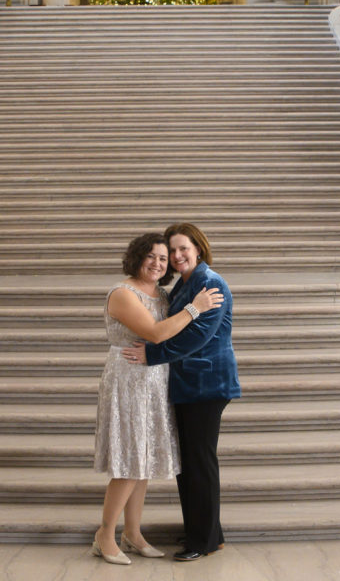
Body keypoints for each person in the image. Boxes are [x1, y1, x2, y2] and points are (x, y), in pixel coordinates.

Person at [93, 232, 223, 565]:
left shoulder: (164, 293)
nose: (157, 263)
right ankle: (104, 536)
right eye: (150, 256)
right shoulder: (123, 293)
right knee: (128, 461)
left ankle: (132, 534)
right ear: (137, 257)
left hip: (154, 379)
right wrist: (196, 308)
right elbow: (154, 333)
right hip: (128, 378)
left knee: (144, 460)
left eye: (163, 258)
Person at [123, 222, 239, 563]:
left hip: (208, 385)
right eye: (172, 251)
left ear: (198, 248)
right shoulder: (186, 285)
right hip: (188, 385)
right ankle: (205, 532)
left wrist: (152, 354)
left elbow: (197, 336)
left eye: (182, 249)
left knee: (200, 463)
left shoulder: (210, 283)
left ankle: (202, 541)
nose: (176, 256)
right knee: (189, 463)